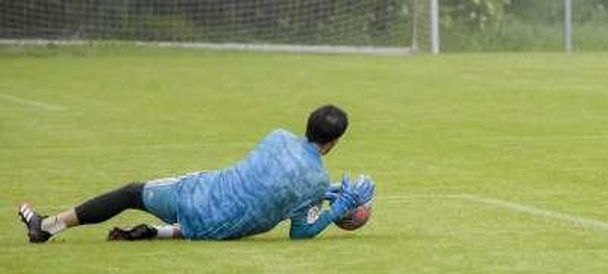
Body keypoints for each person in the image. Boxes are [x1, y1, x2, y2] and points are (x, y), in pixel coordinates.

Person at [18, 104, 374, 242]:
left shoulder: (278, 136)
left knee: (131, 193)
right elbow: (301, 233)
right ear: (336, 141)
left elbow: (274, 177)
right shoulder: (315, 183)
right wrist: (338, 205)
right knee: (233, 216)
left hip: (197, 197)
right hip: (218, 233)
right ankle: (156, 234)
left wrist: (327, 194)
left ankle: (48, 227)